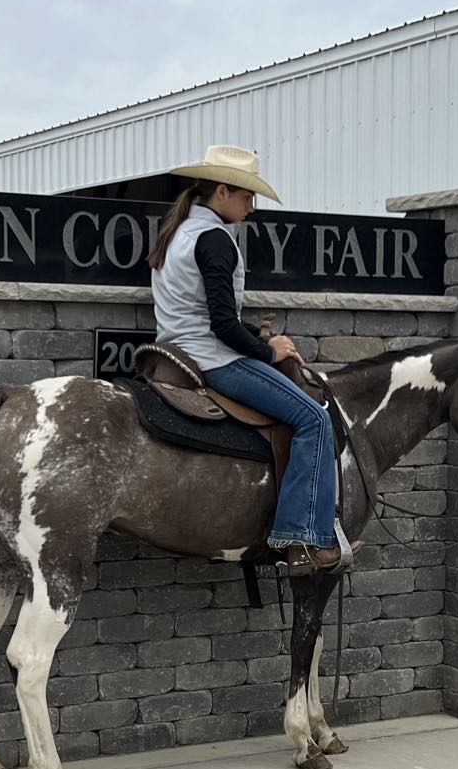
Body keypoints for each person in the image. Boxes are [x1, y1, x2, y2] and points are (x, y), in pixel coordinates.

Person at [149, 144, 356, 574]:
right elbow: (224, 325)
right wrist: (269, 349)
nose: (252, 206)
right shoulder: (215, 240)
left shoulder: (178, 233)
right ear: (221, 191)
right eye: (247, 195)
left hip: (176, 353)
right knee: (314, 419)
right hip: (214, 360)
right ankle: (301, 538)